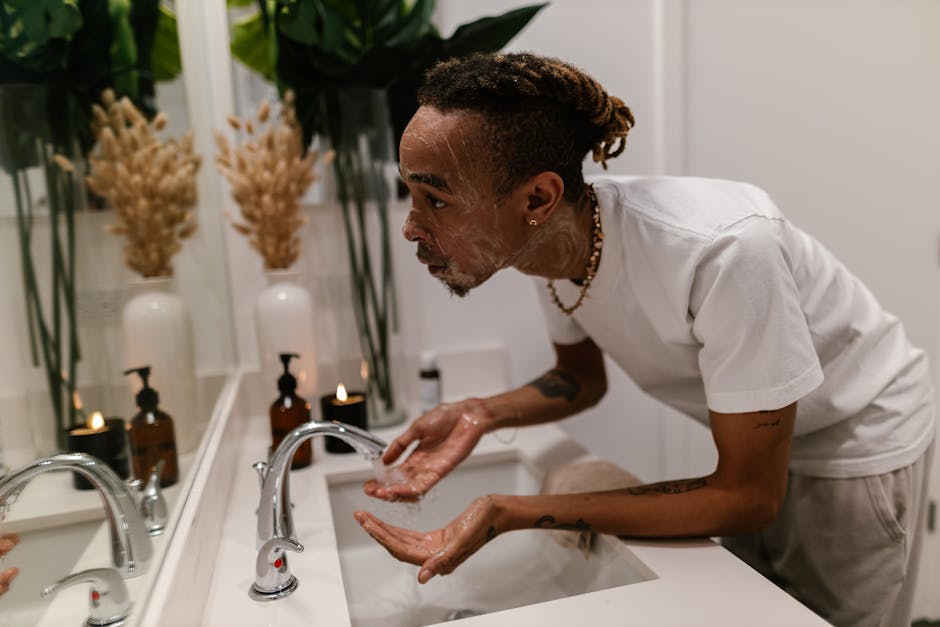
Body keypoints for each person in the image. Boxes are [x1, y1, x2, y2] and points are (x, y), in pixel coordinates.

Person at [353, 52, 935, 627]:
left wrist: (512, 511)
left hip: (855, 436)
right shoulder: (545, 244)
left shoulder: (723, 250)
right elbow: (579, 379)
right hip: (756, 455)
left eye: (437, 199)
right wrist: (479, 413)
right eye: (411, 193)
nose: (411, 226)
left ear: (538, 198)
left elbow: (749, 498)